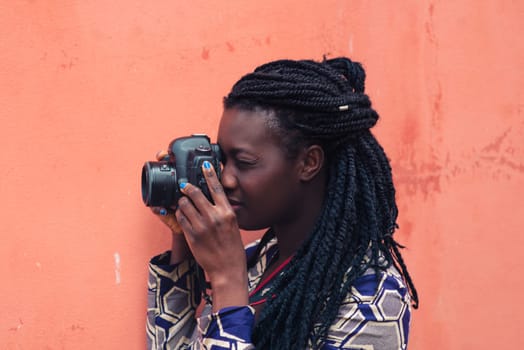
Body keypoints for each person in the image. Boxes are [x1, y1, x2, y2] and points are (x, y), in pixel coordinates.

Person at [145, 57, 419, 349]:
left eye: (245, 162)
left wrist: (227, 282)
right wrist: (184, 237)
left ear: (308, 163)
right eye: (224, 160)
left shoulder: (373, 296)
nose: (226, 179)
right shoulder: (252, 261)